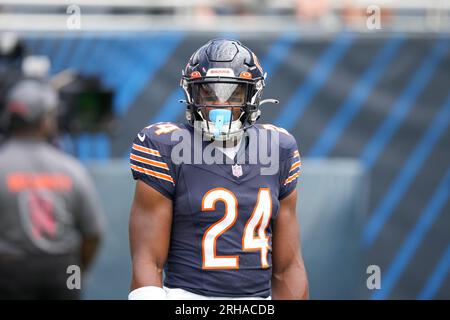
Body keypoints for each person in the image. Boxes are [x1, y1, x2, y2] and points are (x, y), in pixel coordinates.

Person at [128, 39, 308, 300]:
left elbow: (288, 266)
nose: (220, 106)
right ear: (191, 94)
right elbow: (147, 262)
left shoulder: (278, 148)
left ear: (252, 96)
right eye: (208, 94)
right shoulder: (165, 146)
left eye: (233, 94)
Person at [0, 78, 105, 299]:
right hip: (64, 270)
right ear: (45, 121)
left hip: (10, 271)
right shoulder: (71, 169)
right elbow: (93, 234)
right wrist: (79, 273)